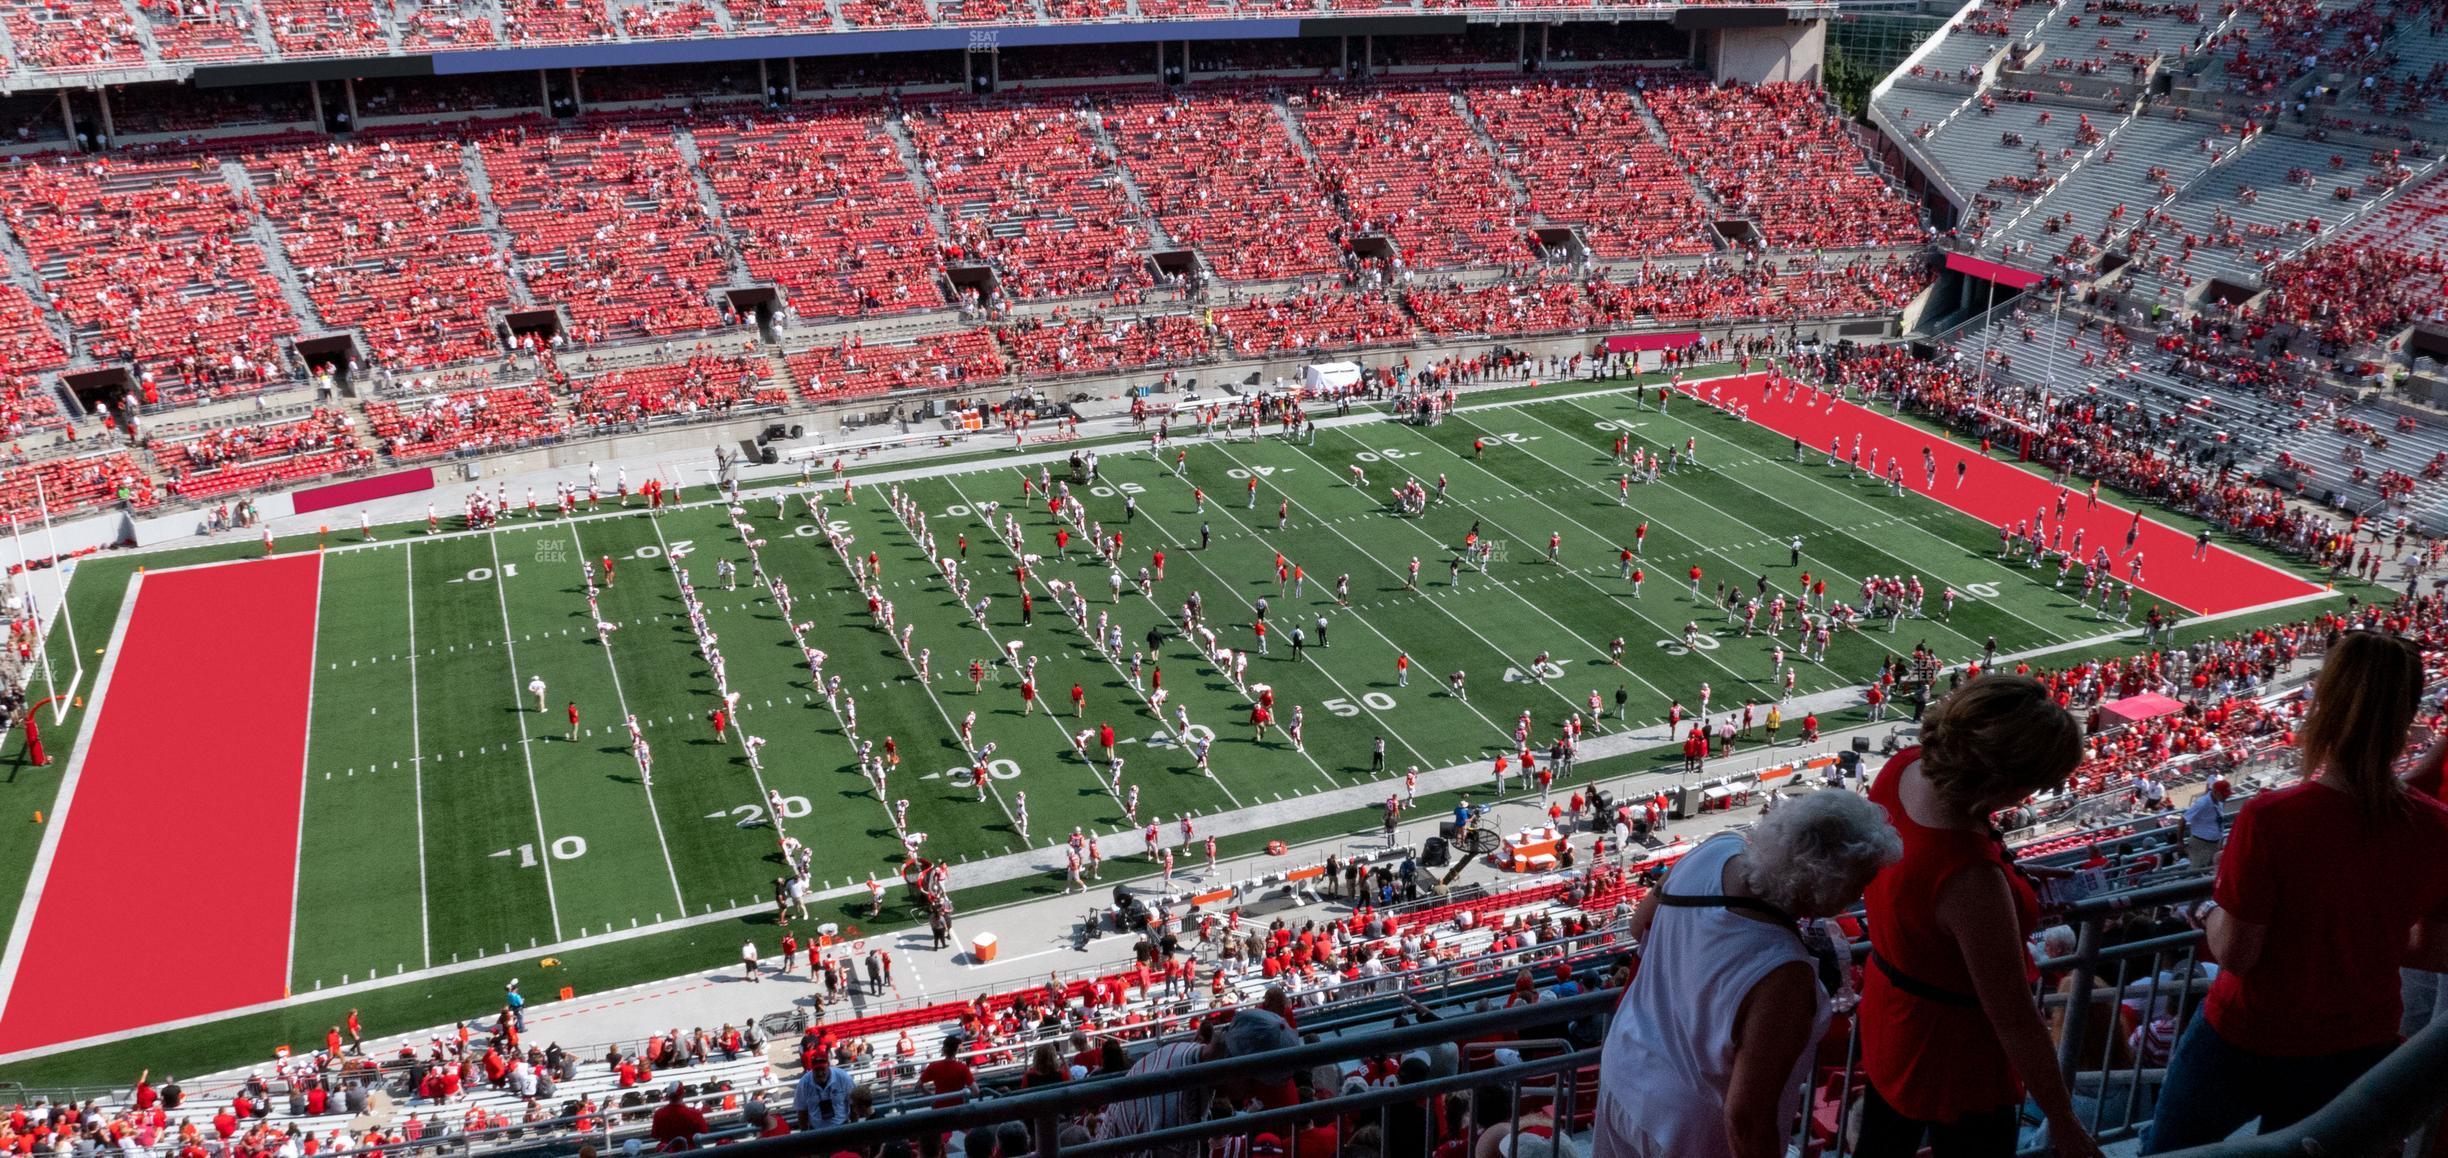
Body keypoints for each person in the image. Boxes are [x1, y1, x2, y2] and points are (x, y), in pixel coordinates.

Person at [2143, 633, 2448, 1152]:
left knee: (2172, 1152)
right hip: (2358, 1039)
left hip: (2246, 1036)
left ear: (2325, 706)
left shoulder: (2272, 818)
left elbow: (2237, 953)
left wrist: (2208, 907)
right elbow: (2435, 950)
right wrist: (2358, 935)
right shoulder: (2436, 828)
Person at [1855, 676, 2100, 1158]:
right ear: (2002, 779)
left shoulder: (1903, 768)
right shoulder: (1968, 876)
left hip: (1889, 1005)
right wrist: (2064, 1123)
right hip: (1953, 1051)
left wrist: (2010, 878)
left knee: (1883, 1142)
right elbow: (2013, 1017)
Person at [1595, 790, 1902, 1158]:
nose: (1858, 895)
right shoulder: (1785, 974)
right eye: (1859, 882)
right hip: (1685, 1128)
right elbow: (1746, 1117)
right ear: (1826, 882)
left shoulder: (1715, 849)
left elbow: (1639, 925)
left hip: (1623, 1070)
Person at [794, 1052, 855, 1129]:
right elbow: (801, 1111)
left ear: (828, 1065)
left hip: (842, 1127)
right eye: (816, 1070)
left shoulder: (843, 1077)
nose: (820, 1073)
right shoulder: (804, 1083)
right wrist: (805, 1134)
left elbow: (853, 1103)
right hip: (817, 1131)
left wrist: (853, 1127)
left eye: (823, 1069)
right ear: (811, 1068)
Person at [648, 1083, 705, 1149]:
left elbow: (655, 1135)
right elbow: (704, 1132)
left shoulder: (659, 1114)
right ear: (683, 1095)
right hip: (691, 1152)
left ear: (668, 1096)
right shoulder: (694, 1113)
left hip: (669, 1153)